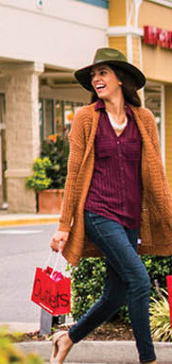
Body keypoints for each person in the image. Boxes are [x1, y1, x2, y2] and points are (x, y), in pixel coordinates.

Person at [49, 48, 172, 364]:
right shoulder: (86, 118)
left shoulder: (143, 120)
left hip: (130, 217)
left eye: (103, 72)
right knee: (140, 280)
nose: (96, 79)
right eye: (94, 74)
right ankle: (148, 358)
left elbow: (156, 177)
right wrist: (64, 226)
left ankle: (67, 337)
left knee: (115, 294)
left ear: (121, 78)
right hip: (98, 213)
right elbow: (74, 173)